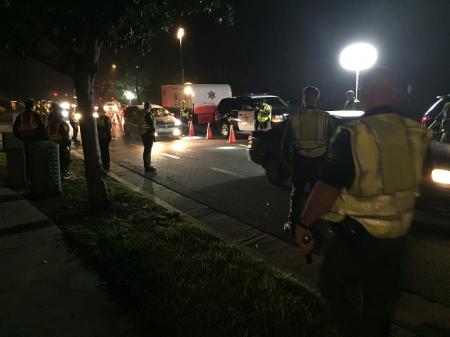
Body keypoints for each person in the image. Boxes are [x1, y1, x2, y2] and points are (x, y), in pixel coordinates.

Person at [296, 68, 432, 337]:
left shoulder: (355, 134)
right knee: (380, 305)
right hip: (397, 240)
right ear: (392, 91)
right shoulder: (416, 133)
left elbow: (327, 189)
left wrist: (303, 223)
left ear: (364, 93)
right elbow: (422, 182)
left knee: (332, 286)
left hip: (355, 239)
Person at [283, 86, 335, 234]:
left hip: (300, 162)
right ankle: (315, 224)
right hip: (319, 163)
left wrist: (289, 163)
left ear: (304, 98)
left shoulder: (294, 117)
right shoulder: (325, 117)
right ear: (317, 98)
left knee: (297, 193)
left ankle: (293, 224)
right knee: (316, 194)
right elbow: (333, 142)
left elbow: (285, 144)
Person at [13, 99, 46, 177]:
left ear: (25, 106)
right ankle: (34, 173)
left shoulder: (20, 116)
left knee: (27, 156)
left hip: (25, 140)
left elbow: (15, 129)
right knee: (35, 157)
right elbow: (41, 127)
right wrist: (40, 137)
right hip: (35, 140)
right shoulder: (35, 115)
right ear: (32, 106)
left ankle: (28, 173)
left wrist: (20, 137)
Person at [46, 103, 71, 179]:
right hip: (60, 146)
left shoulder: (49, 123)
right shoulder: (62, 124)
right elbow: (65, 135)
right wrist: (67, 143)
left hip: (49, 146)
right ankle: (62, 174)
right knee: (65, 159)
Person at [140, 100, 156, 172]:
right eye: (150, 106)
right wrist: (153, 134)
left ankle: (147, 165)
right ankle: (147, 166)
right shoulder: (147, 114)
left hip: (144, 133)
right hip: (148, 133)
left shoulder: (142, 113)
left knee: (146, 149)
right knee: (148, 150)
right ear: (149, 106)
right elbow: (151, 124)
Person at [97, 106, 112, 171]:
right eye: (98, 112)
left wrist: (99, 128)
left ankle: (107, 166)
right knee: (101, 151)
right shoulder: (97, 119)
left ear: (103, 112)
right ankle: (103, 165)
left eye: (100, 112)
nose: (99, 113)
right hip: (100, 138)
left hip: (105, 138)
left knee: (105, 152)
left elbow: (107, 129)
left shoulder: (106, 119)